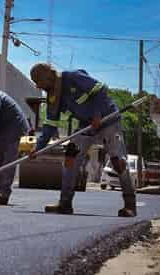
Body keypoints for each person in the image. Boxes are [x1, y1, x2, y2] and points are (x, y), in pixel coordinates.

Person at [29, 63, 137, 217]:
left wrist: (97, 114)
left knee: (118, 161)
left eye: (38, 81)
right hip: (86, 126)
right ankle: (65, 203)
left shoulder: (73, 77)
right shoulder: (53, 96)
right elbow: (50, 125)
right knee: (70, 158)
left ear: (49, 76)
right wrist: (38, 148)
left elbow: (100, 89)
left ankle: (130, 205)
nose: (38, 85)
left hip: (108, 120)